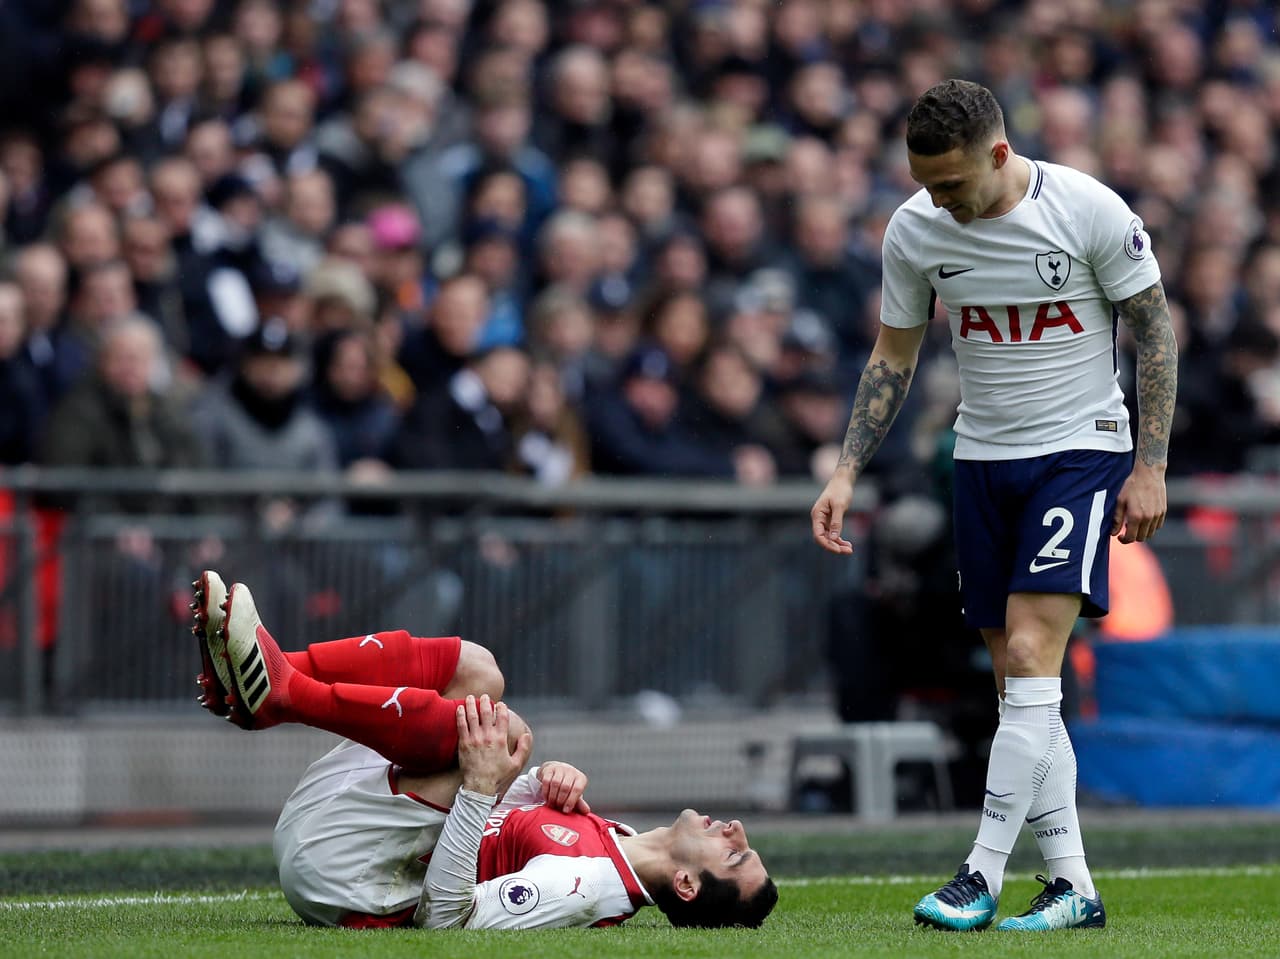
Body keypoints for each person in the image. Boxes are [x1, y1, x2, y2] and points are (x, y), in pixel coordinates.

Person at [810, 80, 1177, 933]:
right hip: (981, 459)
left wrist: (1150, 465)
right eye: (925, 183)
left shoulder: (1087, 210)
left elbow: (1153, 330)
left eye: (951, 183)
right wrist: (844, 469)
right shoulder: (917, 228)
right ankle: (1074, 885)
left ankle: (979, 872)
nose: (939, 199)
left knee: (1027, 653)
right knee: (1024, 685)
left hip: (1079, 452)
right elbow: (892, 357)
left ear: (1000, 155)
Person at [190, 570, 777, 931]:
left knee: (500, 738)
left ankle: (285, 693)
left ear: (686, 886)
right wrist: (536, 776)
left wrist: (481, 786)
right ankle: (279, 681)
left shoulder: (586, 891)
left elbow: (446, 920)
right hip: (361, 820)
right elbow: (504, 815)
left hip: (343, 871)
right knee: (482, 676)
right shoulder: (613, 837)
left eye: (734, 855)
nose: (736, 830)